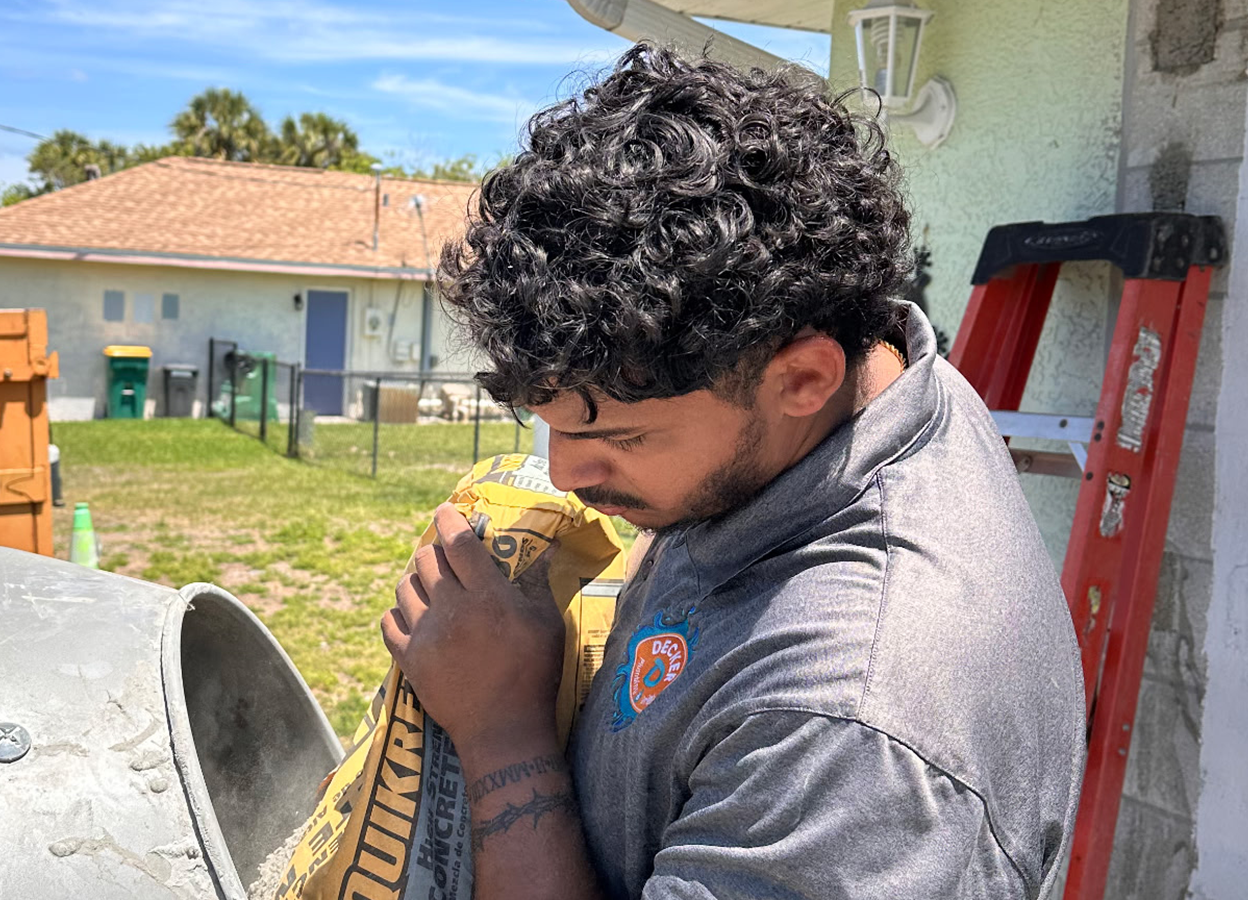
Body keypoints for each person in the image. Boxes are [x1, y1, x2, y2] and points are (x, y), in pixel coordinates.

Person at [380, 44, 1085, 900]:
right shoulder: (881, 378)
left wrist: (501, 732)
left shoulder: (853, 734)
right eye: (551, 425)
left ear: (802, 379)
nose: (565, 473)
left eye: (626, 439)